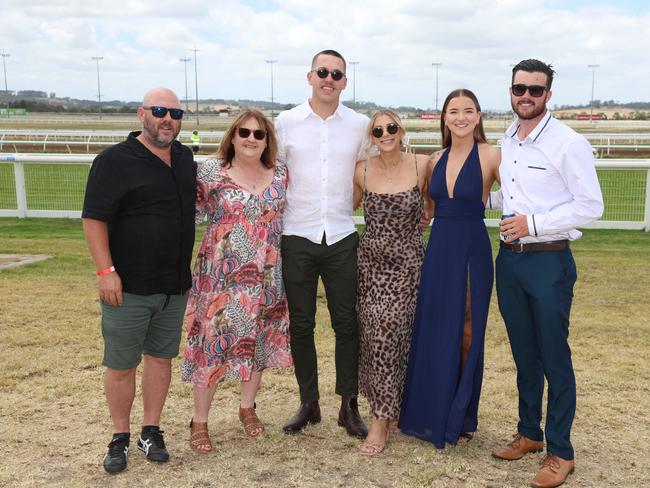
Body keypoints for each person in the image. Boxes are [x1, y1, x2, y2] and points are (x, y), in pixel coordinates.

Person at [491, 59, 603, 488]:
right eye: (520, 88)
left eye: (535, 90)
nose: (526, 96)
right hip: (510, 259)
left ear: (548, 95)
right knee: (524, 353)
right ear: (511, 89)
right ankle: (529, 433)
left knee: (554, 356)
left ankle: (561, 450)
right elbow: (511, 195)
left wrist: (533, 225)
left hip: (548, 260)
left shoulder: (567, 143)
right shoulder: (510, 139)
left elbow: (590, 205)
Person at [82, 87, 196, 474]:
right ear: (141, 114)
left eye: (175, 113)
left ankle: (151, 429)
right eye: (160, 111)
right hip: (127, 286)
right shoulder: (113, 161)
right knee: (121, 363)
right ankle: (119, 437)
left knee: (160, 359)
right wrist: (105, 272)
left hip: (174, 286)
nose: (168, 119)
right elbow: (94, 218)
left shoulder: (184, 158)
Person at [181, 108, 292, 452]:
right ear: (233, 136)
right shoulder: (211, 172)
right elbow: (187, 214)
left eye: (259, 134)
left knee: (256, 342)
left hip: (267, 275)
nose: (251, 139)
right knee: (211, 345)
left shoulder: (280, 174)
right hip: (219, 277)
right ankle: (199, 421)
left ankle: (248, 407)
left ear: (267, 140)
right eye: (244, 132)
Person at [399, 89, 500, 449]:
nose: (461, 117)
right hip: (439, 250)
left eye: (468, 111)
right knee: (437, 327)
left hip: (473, 249)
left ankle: (461, 413)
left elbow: (523, 192)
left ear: (478, 116)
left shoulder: (492, 155)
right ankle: (430, 409)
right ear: (444, 117)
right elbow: (427, 206)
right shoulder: (434, 158)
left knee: (468, 330)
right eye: (453, 111)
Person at [276, 49, 369, 438]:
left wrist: (350, 205)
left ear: (345, 81)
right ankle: (308, 402)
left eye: (337, 73)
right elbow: (274, 172)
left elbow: (368, 174)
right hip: (297, 234)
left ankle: (348, 405)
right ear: (310, 76)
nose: (329, 78)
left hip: (343, 236)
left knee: (347, 323)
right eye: (322, 72)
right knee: (301, 324)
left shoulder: (361, 125)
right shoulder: (285, 123)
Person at [352, 110, 428, 454]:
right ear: (371, 135)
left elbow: (433, 207)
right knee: (375, 335)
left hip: (410, 263)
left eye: (391, 127)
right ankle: (382, 413)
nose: (385, 134)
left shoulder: (422, 165)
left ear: (401, 130)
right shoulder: (362, 170)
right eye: (378, 129)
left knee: (399, 333)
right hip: (371, 265)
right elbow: (344, 209)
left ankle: (388, 413)